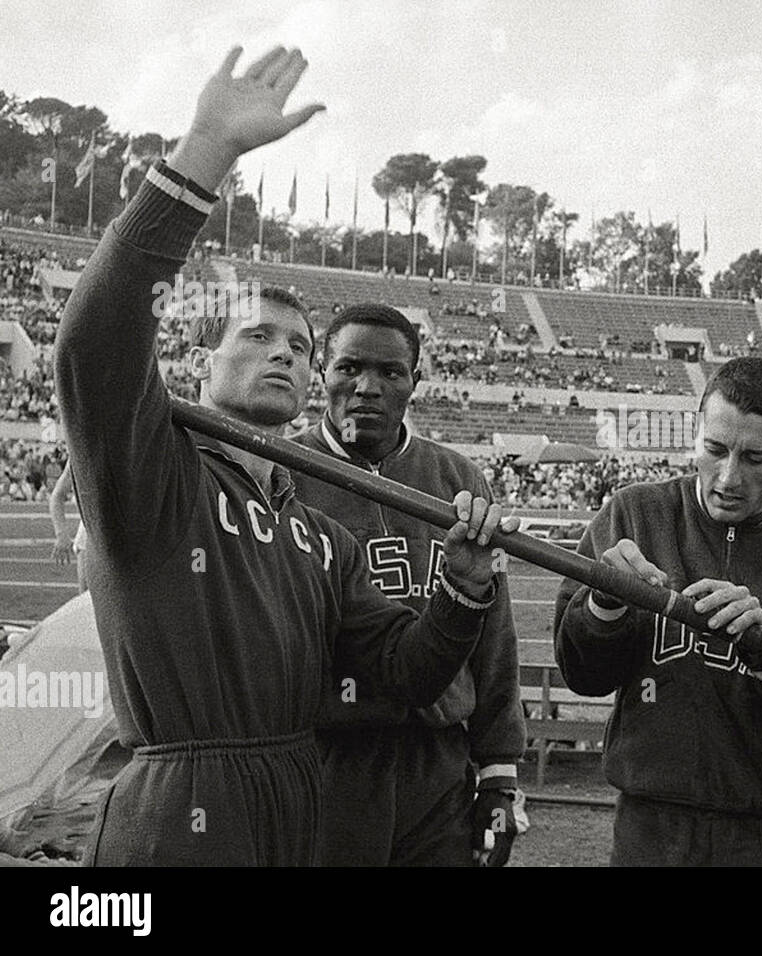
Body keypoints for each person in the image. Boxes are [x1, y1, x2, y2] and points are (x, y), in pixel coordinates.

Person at [54, 44, 514, 866]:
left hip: (302, 800)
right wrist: (207, 152)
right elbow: (96, 340)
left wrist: (463, 588)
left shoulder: (318, 535)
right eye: (256, 336)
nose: (284, 356)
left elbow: (408, 673)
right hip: (180, 808)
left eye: (300, 348)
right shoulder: (154, 474)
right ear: (203, 361)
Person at [553, 357, 762, 866]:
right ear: (696, 434)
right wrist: (605, 607)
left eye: (754, 459)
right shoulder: (633, 514)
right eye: (715, 450)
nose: (729, 477)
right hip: (652, 832)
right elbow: (580, 674)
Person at [290, 303, 525, 866]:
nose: (367, 387)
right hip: (326, 757)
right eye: (349, 367)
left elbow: (493, 637)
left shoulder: (457, 478)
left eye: (390, 373)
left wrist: (498, 774)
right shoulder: (283, 471)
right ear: (323, 371)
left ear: (415, 382)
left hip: (437, 762)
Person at [47, 464, 86, 593]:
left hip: (137, 532)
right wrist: (61, 534)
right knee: (88, 602)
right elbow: (57, 495)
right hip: (92, 533)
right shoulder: (81, 453)